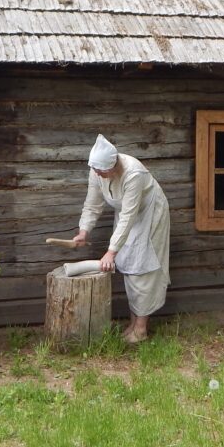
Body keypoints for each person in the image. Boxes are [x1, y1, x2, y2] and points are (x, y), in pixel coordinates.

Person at [71, 134, 171, 343]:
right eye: (96, 171)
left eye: (102, 171)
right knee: (127, 263)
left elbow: (128, 215)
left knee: (142, 266)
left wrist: (111, 251)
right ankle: (133, 324)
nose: (98, 174)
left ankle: (141, 329)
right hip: (129, 216)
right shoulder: (96, 171)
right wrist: (84, 231)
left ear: (114, 164)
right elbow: (93, 203)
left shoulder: (133, 173)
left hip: (149, 214)